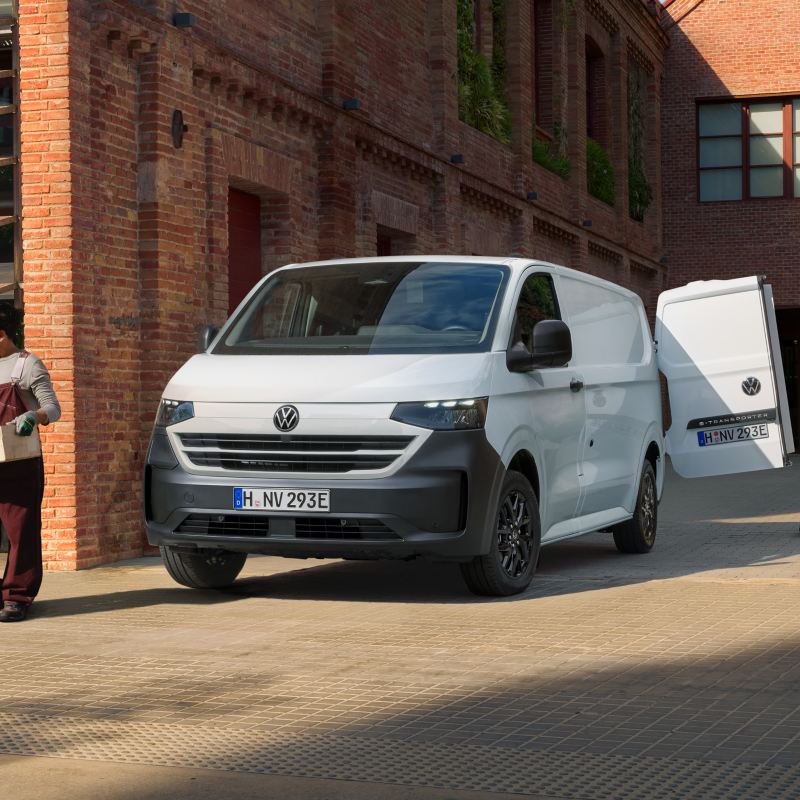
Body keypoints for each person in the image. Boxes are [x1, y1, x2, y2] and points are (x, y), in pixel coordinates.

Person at [0, 304, 60, 622]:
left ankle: (17, 597)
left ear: (2, 335)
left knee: (20, 530)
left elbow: (53, 408)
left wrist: (33, 416)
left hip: (20, 464)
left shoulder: (27, 366)